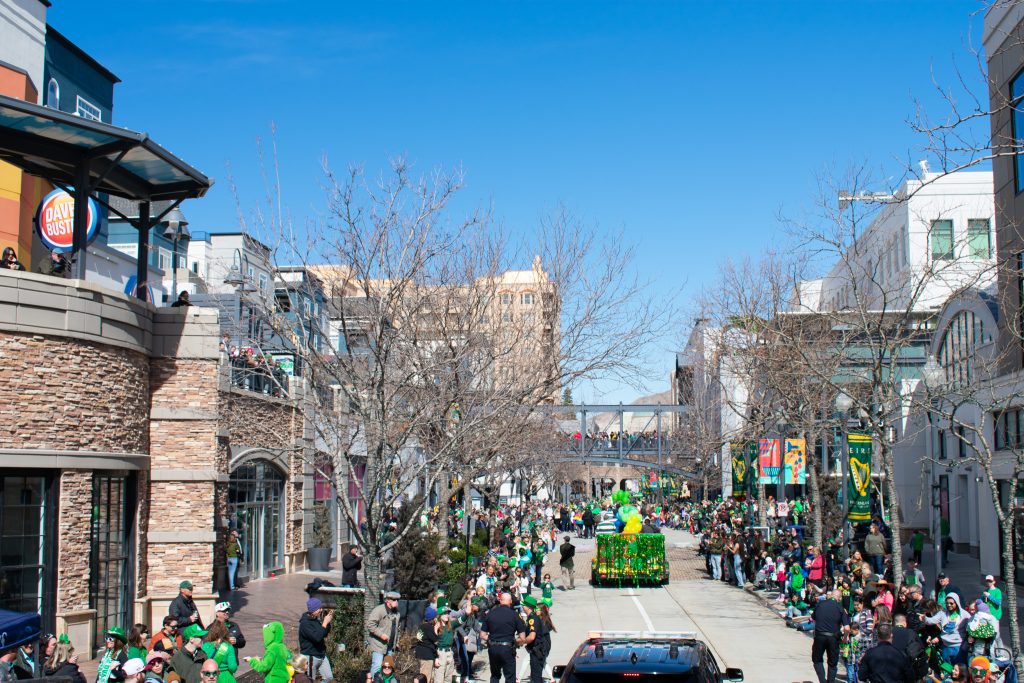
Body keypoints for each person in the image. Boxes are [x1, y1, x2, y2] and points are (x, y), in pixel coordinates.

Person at [480, 593, 526, 683]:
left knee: (495, 676)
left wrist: (492, 639)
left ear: (500, 601)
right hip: (507, 648)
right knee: (510, 677)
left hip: (493, 648)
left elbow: (482, 635)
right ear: (511, 602)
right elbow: (522, 637)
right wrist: (513, 641)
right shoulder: (515, 615)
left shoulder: (490, 614)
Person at [811, 589, 848, 683]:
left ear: (831, 595)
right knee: (832, 663)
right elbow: (847, 628)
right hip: (833, 638)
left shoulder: (820, 604)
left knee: (817, 660)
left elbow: (813, 618)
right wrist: (844, 638)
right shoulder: (840, 608)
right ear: (839, 598)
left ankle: (822, 681)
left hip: (820, 636)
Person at [298, 598, 334, 682]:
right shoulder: (305, 624)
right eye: (319, 608)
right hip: (311, 656)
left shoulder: (315, 620)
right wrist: (324, 623)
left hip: (321, 654)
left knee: (329, 678)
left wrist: (328, 623)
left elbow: (323, 633)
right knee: (310, 680)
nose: (321, 610)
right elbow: (317, 638)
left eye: (321, 608)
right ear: (313, 610)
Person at [367, 591, 401, 677]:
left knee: (387, 668)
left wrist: (397, 641)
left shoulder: (397, 613)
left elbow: (397, 629)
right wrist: (381, 635)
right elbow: (370, 625)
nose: (396, 602)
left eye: (397, 600)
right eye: (394, 600)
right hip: (379, 645)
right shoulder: (379, 610)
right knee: (377, 667)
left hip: (390, 646)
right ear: (388, 600)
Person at [521, 596, 550, 683]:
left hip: (537, 650)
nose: (522, 607)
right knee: (535, 676)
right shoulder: (532, 618)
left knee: (536, 677)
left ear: (528, 607)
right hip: (537, 650)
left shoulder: (533, 619)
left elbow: (532, 636)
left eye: (524, 605)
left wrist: (520, 641)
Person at [414, 606, 440, 683]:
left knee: (423, 676)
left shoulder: (422, 626)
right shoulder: (429, 628)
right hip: (426, 655)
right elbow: (436, 640)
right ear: (433, 618)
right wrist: (436, 629)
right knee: (425, 678)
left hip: (421, 653)